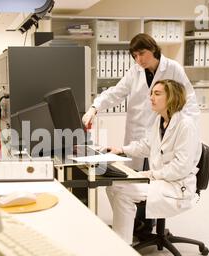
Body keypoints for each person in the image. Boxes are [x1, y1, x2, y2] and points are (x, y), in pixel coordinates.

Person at [82, 33, 199, 236]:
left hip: (170, 140)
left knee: (139, 182)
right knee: (127, 183)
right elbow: (115, 93)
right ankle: (134, 228)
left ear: (153, 49)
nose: (138, 60)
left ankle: (141, 230)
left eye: (142, 54)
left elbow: (188, 98)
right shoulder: (135, 71)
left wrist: (179, 126)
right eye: (134, 56)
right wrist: (94, 107)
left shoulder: (172, 70)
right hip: (144, 132)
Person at [105, 79, 201, 245]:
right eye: (151, 94)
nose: (151, 98)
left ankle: (123, 246)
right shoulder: (160, 121)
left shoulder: (185, 126)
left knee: (123, 193)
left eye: (157, 94)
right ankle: (131, 227)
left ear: (172, 97)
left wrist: (150, 174)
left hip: (177, 186)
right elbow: (146, 145)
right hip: (162, 180)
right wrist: (121, 149)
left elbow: (181, 168)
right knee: (112, 185)